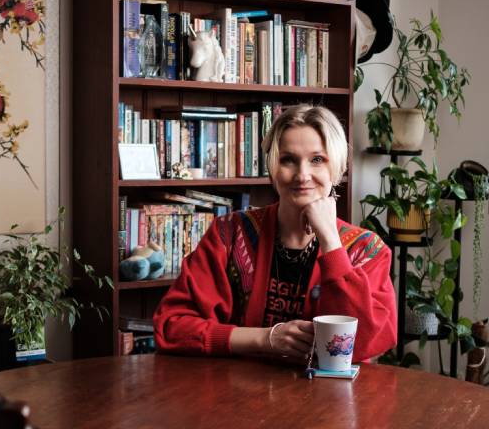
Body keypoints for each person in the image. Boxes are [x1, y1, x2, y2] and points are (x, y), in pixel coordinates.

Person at [153, 104, 397, 363]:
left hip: (329, 398)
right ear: (272, 168)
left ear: (336, 168)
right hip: (237, 394)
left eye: (317, 159)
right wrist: (267, 338)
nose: (302, 175)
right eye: (288, 160)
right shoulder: (230, 235)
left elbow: (363, 345)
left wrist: (331, 241)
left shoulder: (366, 250)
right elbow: (171, 327)